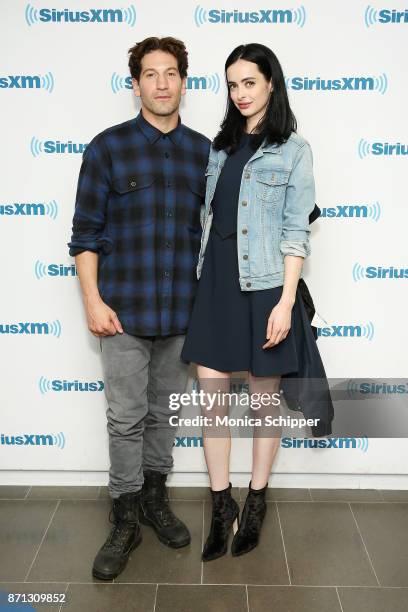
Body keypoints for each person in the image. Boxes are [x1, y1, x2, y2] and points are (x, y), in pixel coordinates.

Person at [181, 43, 333, 561]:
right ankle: (222, 504)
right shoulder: (220, 147)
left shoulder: (294, 149)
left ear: (271, 83)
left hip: (266, 287)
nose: (240, 93)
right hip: (217, 286)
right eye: (232, 84)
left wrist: (286, 302)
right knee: (213, 402)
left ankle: (258, 498)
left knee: (264, 402)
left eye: (249, 82)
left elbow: (296, 232)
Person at [68, 36, 210, 580]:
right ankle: (124, 513)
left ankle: (155, 496)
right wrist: (92, 300)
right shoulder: (107, 148)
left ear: (183, 81)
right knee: (125, 417)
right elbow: (85, 235)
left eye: (170, 73)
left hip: (182, 315)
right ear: (136, 85)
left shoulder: (205, 153)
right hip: (122, 313)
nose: (161, 84)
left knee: (163, 415)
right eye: (150, 74)